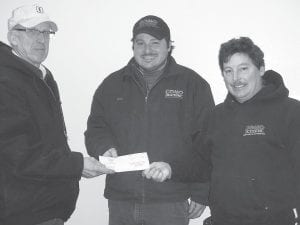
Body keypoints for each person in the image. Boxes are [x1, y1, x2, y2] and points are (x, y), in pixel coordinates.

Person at [85, 15, 214, 225]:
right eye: (140, 43)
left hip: (170, 201)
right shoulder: (112, 85)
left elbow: (206, 143)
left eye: (155, 43)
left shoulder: (193, 85)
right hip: (122, 201)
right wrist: (103, 146)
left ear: (169, 46)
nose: (147, 50)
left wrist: (202, 191)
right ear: (133, 46)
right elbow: (96, 128)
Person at [0, 4, 114, 225]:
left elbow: (45, 145)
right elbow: (19, 155)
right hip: (23, 213)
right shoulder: (6, 81)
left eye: (46, 32)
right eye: (32, 31)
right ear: (13, 37)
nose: (41, 40)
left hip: (43, 208)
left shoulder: (40, 76)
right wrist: (77, 165)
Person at [203, 37, 299, 225]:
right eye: (228, 71)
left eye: (243, 69)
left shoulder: (291, 112)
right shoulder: (216, 116)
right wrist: (170, 166)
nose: (236, 78)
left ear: (261, 69)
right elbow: (198, 162)